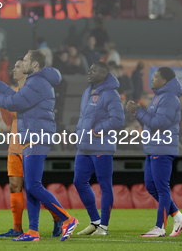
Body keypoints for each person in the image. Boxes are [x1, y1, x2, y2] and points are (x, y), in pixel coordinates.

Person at [0, 50, 79, 242]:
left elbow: (13, 102)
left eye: (24, 60)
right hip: (32, 135)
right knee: (32, 185)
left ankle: (67, 218)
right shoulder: (37, 81)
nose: (21, 62)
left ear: (34, 65)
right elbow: (14, 95)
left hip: (36, 135)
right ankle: (32, 231)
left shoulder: (36, 82)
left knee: (33, 185)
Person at [0, 57, 62, 238]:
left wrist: (2, 98)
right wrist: (1, 103)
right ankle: (17, 228)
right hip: (14, 144)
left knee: (33, 187)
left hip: (29, 142)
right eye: (15, 66)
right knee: (15, 186)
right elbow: (9, 121)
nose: (15, 69)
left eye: (19, 65)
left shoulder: (30, 90)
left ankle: (58, 216)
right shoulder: (13, 92)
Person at [126, 67, 182, 237]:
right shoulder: (159, 97)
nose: (152, 79)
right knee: (151, 186)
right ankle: (179, 217)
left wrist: (138, 111)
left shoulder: (169, 98)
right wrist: (138, 112)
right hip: (153, 146)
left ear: (164, 81)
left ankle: (159, 227)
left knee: (161, 188)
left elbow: (158, 123)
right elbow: (150, 122)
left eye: (155, 76)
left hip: (163, 147)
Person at [74, 62, 125, 236]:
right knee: (79, 181)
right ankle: (95, 222)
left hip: (102, 145)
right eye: (89, 68)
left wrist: (97, 129)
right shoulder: (87, 92)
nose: (89, 71)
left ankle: (103, 226)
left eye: (94, 70)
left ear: (104, 74)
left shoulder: (111, 94)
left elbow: (118, 120)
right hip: (84, 146)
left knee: (105, 185)